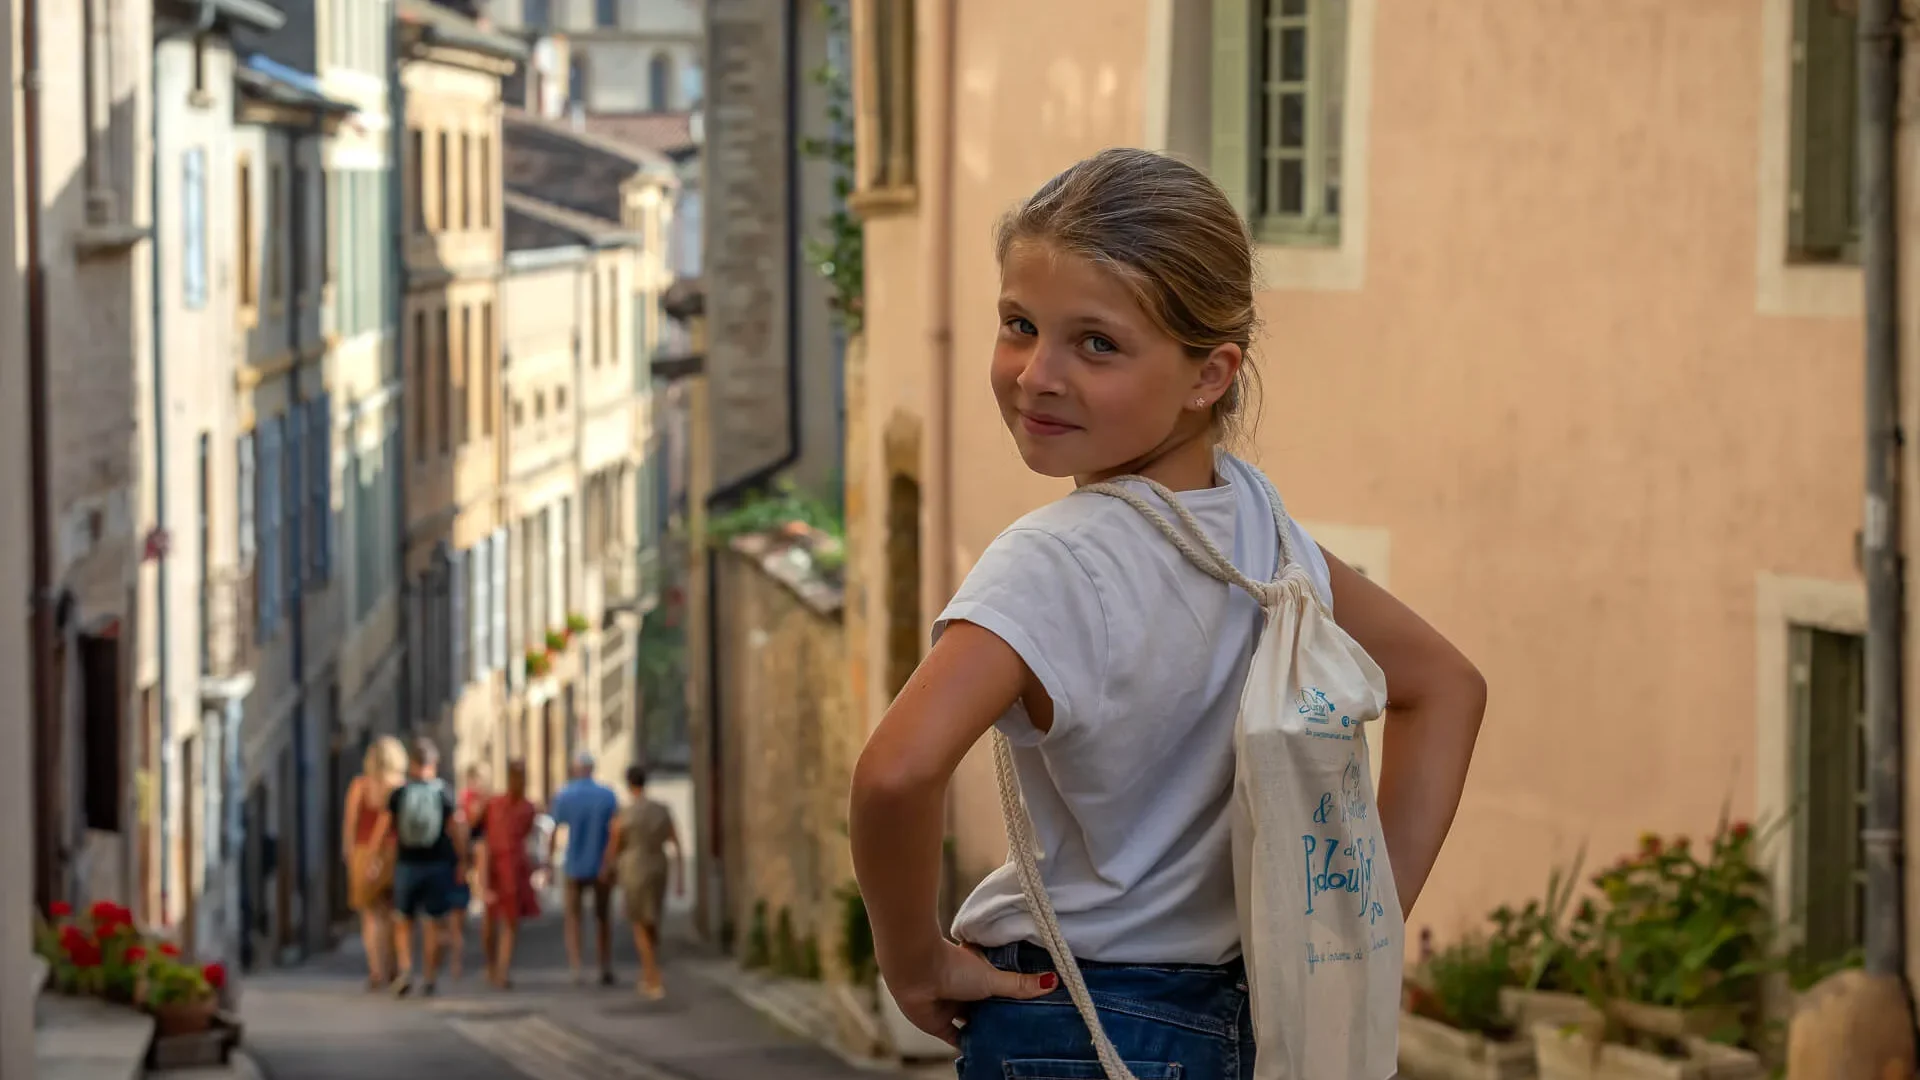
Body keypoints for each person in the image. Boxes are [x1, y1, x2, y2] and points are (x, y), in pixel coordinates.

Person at [847, 149, 1487, 1078]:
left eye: (1096, 343)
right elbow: (1447, 688)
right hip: (1239, 1024)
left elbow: (895, 776)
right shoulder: (1274, 547)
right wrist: (1351, 933)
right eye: (1020, 325)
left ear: (1209, 375)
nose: (1037, 374)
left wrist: (915, 963)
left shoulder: (1053, 560)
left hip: (1072, 1025)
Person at [368, 737, 466, 998]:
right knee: (433, 923)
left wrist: (374, 859)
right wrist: (463, 860)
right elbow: (456, 829)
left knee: (403, 920)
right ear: (433, 763)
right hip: (437, 863)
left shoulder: (400, 793)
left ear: (412, 764)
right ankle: (430, 976)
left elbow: (383, 827)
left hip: (407, 863)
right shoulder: (443, 792)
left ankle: (406, 970)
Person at [600, 764, 683, 999]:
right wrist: (680, 878)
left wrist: (607, 868)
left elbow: (615, 844)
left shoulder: (625, 814)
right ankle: (648, 971)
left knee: (638, 923)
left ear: (629, 784)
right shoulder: (661, 809)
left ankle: (652, 976)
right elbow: (676, 841)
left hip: (634, 868)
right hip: (658, 865)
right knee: (653, 919)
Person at [341, 736, 407, 990]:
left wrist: (351, 856)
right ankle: (393, 967)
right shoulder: (400, 786)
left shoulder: (361, 785)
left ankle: (376, 970)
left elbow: (351, 824)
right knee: (393, 914)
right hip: (395, 854)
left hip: (364, 853)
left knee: (371, 917)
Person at [549, 751, 620, 986]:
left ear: (575, 769)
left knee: (573, 917)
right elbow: (616, 829)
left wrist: (549, 863)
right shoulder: (607, 795)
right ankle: (604, 965)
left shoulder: (566, 795)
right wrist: (613, 861)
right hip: (601, 864)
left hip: (574, 865)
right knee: (602, 918)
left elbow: (555, 828)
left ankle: (576, 967)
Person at [481, 759, 540, 989]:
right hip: (495, 864)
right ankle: (491, 965)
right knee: (490, 920)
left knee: (510, 920)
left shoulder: (527, 807)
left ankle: (502, 970)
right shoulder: (494, 803)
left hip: (514, 865)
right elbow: (483, 832)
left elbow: (525, 834)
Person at [448, 763, 492, 980]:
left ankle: (484, 963)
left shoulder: (475, 801)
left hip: (475, 856)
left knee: (476, 913)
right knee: (461, 915)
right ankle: (461, 963)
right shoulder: (472, 801)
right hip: (471, 857)